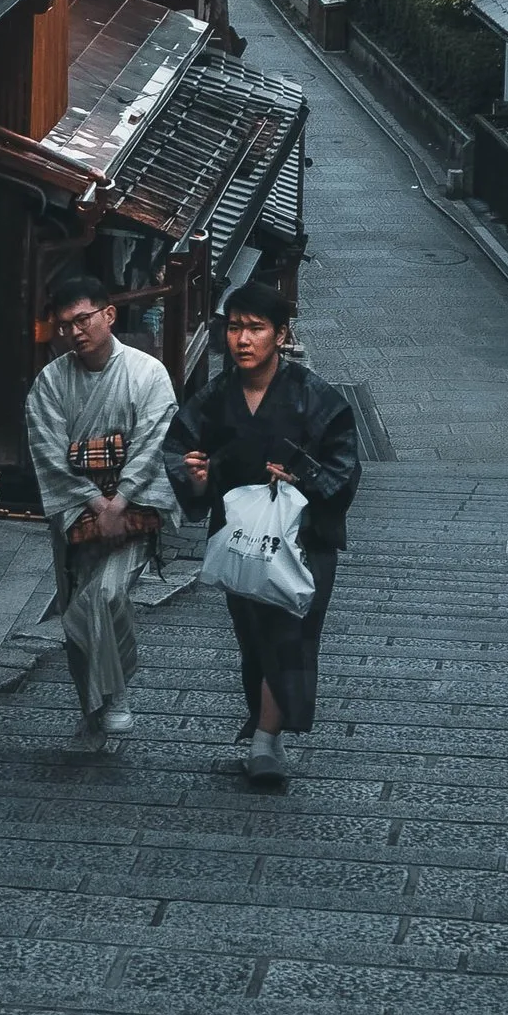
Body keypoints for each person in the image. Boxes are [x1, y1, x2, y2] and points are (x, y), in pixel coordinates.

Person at [167, 276, 359, 785]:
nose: (243, 340)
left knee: (289, 633)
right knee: (254, 637)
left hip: (302, 539)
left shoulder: (314, 397)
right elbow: (179, 450)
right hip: (242, 540)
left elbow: (343, 468)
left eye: (256, 328)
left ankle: (265, 741)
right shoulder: (214, 397)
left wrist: (304, 478)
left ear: (281, 333)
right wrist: (197, 475)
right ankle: (262, 731)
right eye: (234, 328)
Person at [24, 271, 177, 748]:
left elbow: (153, 441)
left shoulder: (147, 373)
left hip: (134, 507)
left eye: (83, 319)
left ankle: (115, 697)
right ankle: (91, 715)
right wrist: (93, 501)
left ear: (109, 315)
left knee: (104, 598)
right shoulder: (51, 381)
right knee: (77, 614)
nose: (74, 332)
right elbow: (48, 450)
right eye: (65, 325)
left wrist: (121, 498)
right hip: (76, 512)